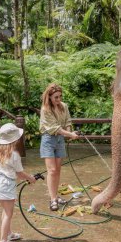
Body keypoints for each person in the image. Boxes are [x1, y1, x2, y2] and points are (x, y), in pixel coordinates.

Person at [0, 123, 36, 242]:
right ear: (15, 139)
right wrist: (31, 178)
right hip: (7, 185)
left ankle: (9, 234)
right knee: (8, 214)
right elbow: (20, 173)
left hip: (0, 182)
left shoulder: (0, 151)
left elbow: (16, 173)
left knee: (6, 212)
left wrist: (27, 177)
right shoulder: (15, 155)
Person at [39, 83, 79, 211]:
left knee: (58, 170)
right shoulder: (45, 110)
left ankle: (55, 195)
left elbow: (67, 121)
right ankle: (52, 199)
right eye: (56, 97)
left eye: (60, 96)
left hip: (60, 140)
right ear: (49, 97)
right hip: (48, 140)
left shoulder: (64, 106)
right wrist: (70, 134)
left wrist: (69, 133)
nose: (59, 99)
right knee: (51, 170)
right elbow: (55, 128)